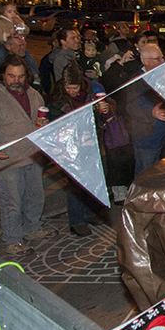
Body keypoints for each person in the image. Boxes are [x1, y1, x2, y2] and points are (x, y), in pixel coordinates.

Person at [0, 56, 57, 256]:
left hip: (32, 156)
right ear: (3, 75)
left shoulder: (34, 94)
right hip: (7, 161)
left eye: (21, 76)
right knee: (11, 202)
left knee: (35, 197)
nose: (16, 80)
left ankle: (33, 229)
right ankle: (13, 240)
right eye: (11, 76)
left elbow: (40, 120)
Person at [46, 63, 110, 236]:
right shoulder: (58, 97)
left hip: (91, 142)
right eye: (68, 87)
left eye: (74, 88)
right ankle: (76, 221)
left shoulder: (91, 91)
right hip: (70, 146)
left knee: (92, 179)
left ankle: (91, 213)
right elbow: (54, 120)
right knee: (75, 184)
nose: (71, 91)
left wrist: (101, 110)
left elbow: (99, 116)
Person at [123, 44, 165, 176]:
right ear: (146, 61)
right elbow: (131, 107)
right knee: (146, 174)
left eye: (163, 58)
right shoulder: (136, 81)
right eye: (158, 59)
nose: (163, 61)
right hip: (147, 137)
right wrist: (151, 113)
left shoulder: (164, 77)